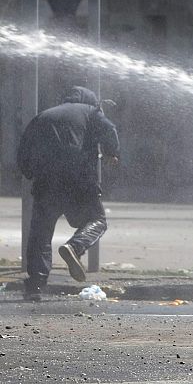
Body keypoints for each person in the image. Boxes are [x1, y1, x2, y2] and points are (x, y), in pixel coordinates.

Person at [17, 86, 120, 301]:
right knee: (97, 220)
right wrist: (112, 152)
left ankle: (36, 283)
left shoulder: (43, 115)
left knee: (40, 234)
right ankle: (75, 246)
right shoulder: (91, 111)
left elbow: (24, 148)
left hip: (46, 180)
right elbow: (109, 130)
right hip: (77, 178)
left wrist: (29, 172)